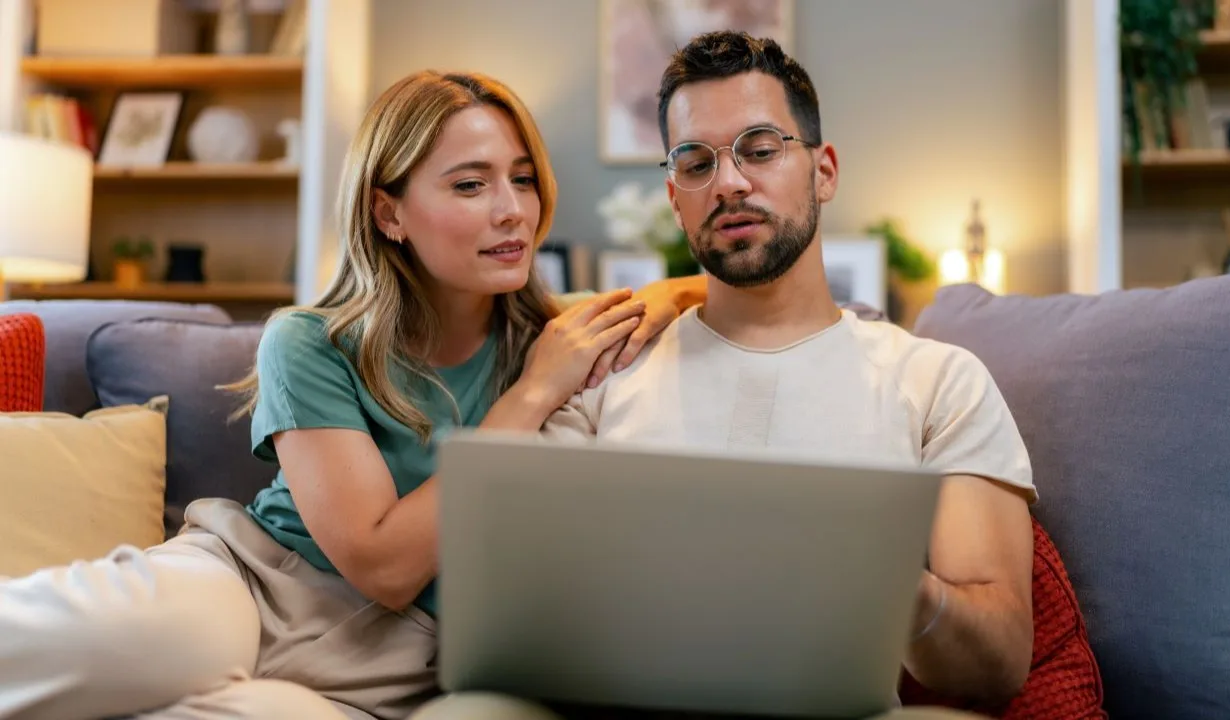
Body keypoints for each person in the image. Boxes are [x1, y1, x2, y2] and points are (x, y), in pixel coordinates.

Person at [0, 70, 709, 720]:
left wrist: (673, 287)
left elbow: (717, 288)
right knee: (118, 642)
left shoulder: (562, 334)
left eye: (522, 180)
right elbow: (384, 564)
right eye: (470, 185)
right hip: (255, 585)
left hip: (404, 663)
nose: (512, 211)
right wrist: (530, 395)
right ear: (388, 212)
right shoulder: (311, 342)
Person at [414, 31, 1035, 720]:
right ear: (675, 197)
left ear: (823, 171)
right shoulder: (605, 364)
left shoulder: (937, 379)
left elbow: (1001, 656)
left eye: (761, 149)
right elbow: (515, 599)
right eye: (696, 162)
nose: (730, 182)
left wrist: (889, 581)